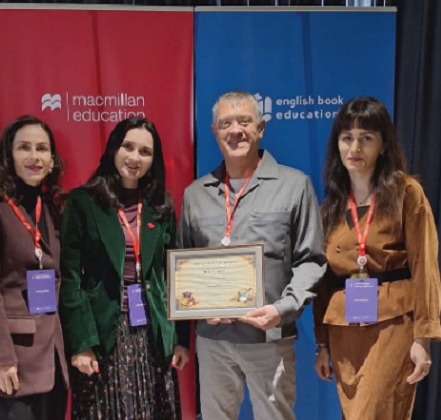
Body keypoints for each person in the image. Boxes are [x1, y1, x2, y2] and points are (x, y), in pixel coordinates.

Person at [178, 90, 326, 420]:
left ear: (261, 128)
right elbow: (184, 267)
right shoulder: (195, 195)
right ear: (214, 131)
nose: (235, 130)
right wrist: (198, 306)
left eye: (244, 121)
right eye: (225, 123)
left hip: (269, 339)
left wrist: (281, 309)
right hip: (212, 341)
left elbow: (311, 260)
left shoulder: (294, 186)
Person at [313, 97, 441, 419]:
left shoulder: (406, 193)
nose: (355, 147)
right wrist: (322, 344)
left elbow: (425, 267)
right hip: (343, 330)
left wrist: (423, 337)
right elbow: (323, 281)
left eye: (366, 138)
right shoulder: (330, 208)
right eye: (347, 138)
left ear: (383, 145)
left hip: (393, 323)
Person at [59, 117, 189, 420]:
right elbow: (69, 277)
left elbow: (175, 276)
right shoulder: (83, 202)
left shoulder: (161, 206)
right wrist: (81, 344)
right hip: (104, 334)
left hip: (152, 333)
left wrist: (180, 338)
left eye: (145, 151)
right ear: (114, 149)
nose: (135, 157)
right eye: (128, 147)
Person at [0, 115, 69, 420]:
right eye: (24, 147)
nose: (34, 157)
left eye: (42, 149)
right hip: (10, 363)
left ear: (52, 160)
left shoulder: (49, 208)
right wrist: (0, 358)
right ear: (8, 155)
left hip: (50, 360)